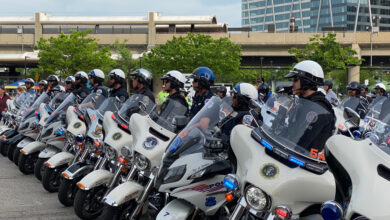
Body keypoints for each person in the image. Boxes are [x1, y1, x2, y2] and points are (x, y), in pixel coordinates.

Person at [283, 60, 335, 152]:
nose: (292, 84)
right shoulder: (304, 102)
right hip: (291, 153)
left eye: (295, 80)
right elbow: (292, 133)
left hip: (303, 161)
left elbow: (302, 145)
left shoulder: (319, 109)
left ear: (306, 81)